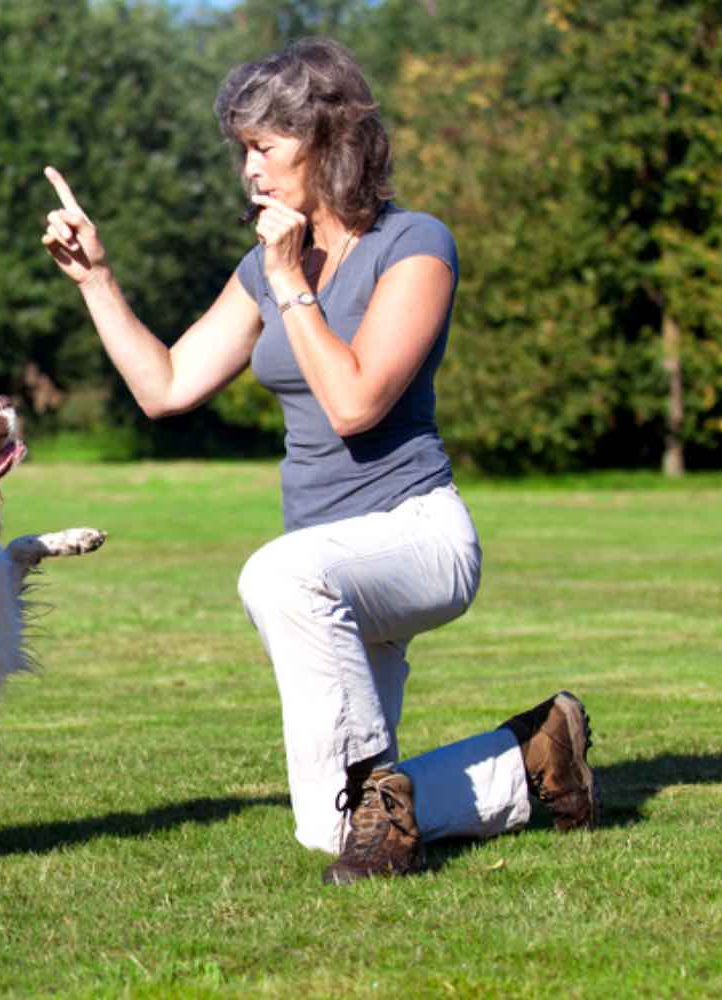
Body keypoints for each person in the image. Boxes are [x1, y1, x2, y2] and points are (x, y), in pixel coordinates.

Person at [39, 37, 597, 884]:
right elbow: (168, 387)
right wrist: (97, 280)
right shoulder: (263, 270)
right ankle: (533, 761)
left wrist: (291, 281)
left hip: (416, 535)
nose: (249, 172)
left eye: (263, 147)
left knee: (277, 574)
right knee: (326, 830)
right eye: (242, 152)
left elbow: (356, 401)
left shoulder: (414, 245)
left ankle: (387, 808)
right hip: (327, 569)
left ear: (329, 138)